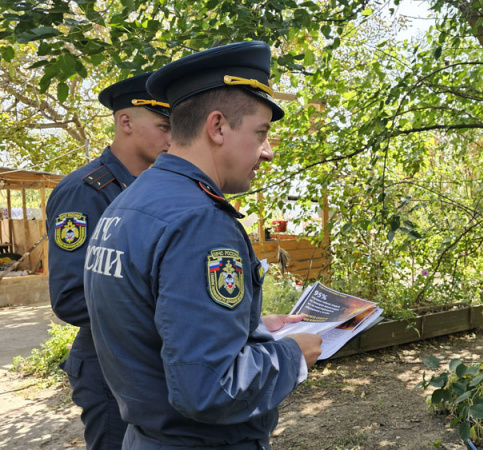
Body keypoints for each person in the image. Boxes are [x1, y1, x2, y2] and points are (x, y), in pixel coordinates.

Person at [84, 41, 322, 450]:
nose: (267, 152)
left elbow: (154, 325)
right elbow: (209, 386)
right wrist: (291, 356)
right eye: (261, 132)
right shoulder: (199, 221)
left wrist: (255, 328)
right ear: (217, 127)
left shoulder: (132, 201)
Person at [47, 72, 172, 449]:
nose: (172, 138)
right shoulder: (85, 192)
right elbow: (70, 297)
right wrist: (168, 312)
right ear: (126, 121)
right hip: (107, 366)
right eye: (164, 126)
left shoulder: (153, 190)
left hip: (147, 361)